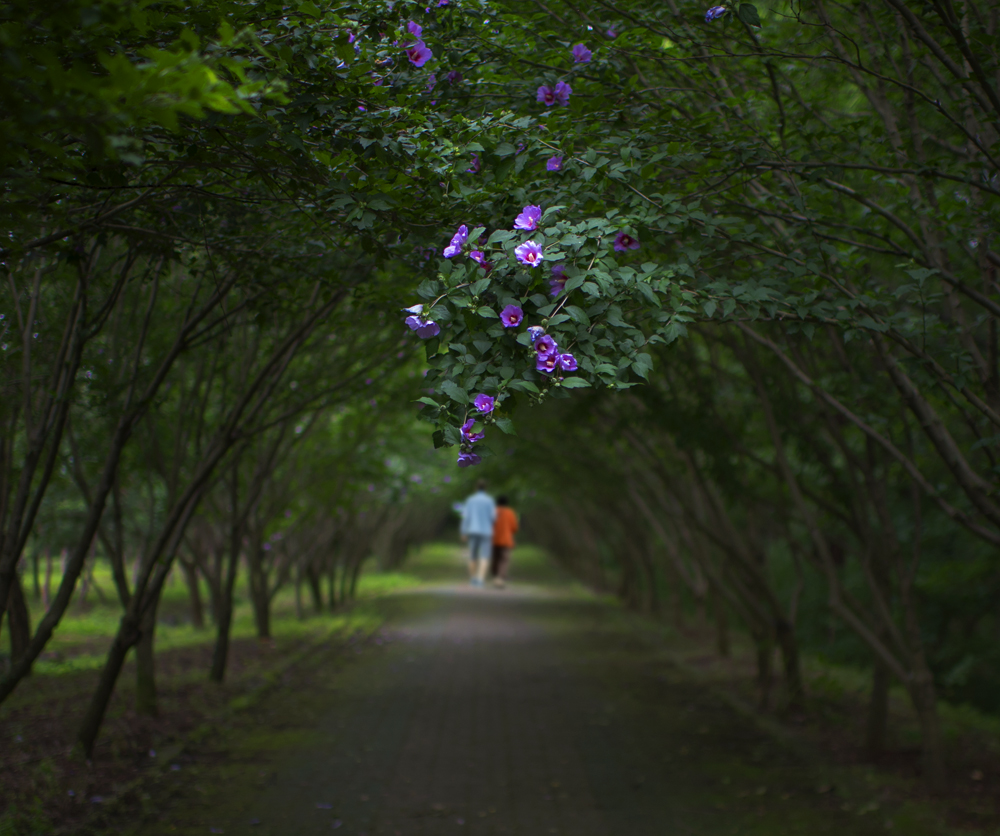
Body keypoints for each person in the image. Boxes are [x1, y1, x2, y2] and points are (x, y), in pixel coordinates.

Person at [460, 479, 495, 586]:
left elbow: (466, 517)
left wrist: (463, 531)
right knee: (485, 555)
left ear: (476, 488)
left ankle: (473, 579)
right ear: (486, 488)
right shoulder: (489, 500)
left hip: (473, 530)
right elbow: (493, 517)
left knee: (472, 555)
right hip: (486, 531)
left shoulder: (470, 500)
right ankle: (480, 579)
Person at [490, 495, 519, 588]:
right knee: (504, 559)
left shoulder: (493, 511)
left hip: (493, 539)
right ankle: (500, 578)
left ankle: (495, 576)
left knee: (495, 558)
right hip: (506, 540)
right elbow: (514, 527)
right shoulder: (510, 512)